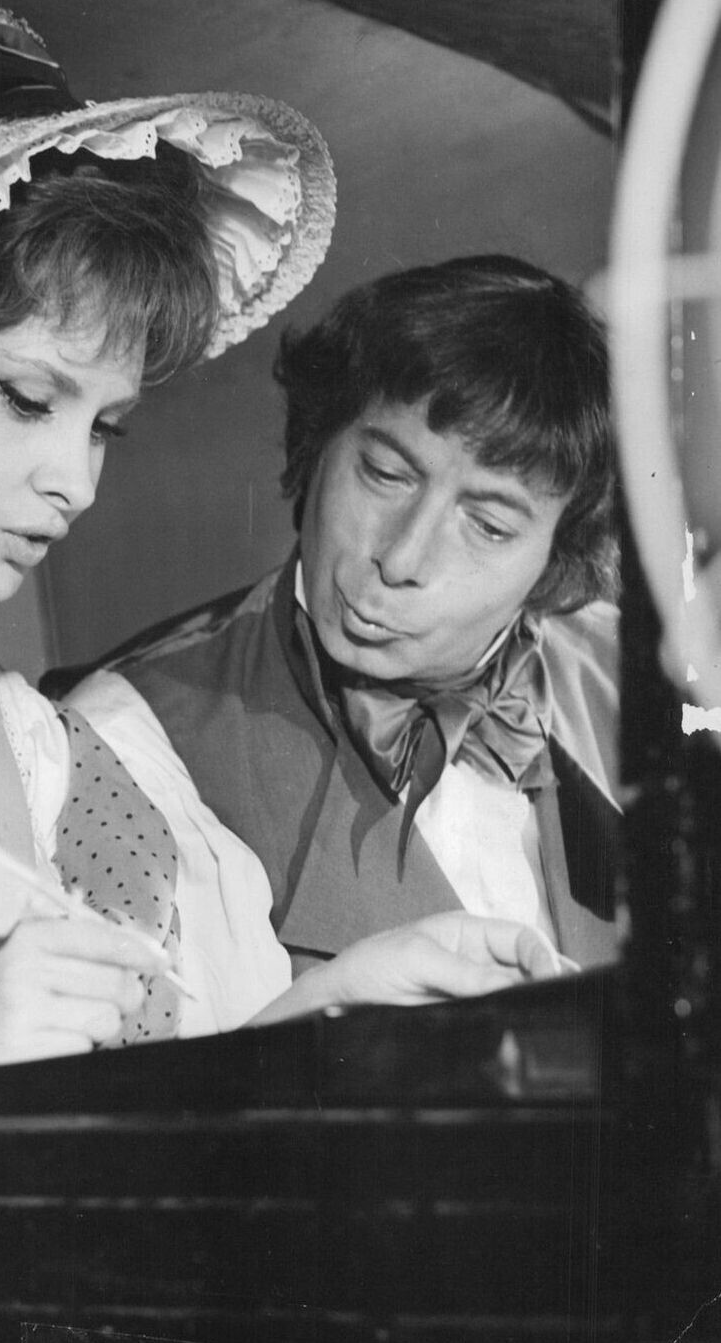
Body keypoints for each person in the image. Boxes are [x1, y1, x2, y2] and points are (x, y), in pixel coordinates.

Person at [0, 8, 571, 1116]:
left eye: (105, 427)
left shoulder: (60, 757)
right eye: (27, 398)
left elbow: (156, 1118)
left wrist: (325, 1012)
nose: (75, 481)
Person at [67, 257, 620, 978]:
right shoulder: (121, 737)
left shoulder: (645, 679)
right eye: (385, 474)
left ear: (554, 563)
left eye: (487, 526)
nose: (401, 557)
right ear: (318, 441)